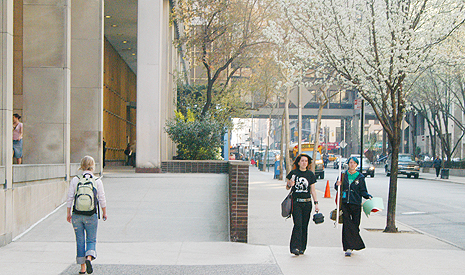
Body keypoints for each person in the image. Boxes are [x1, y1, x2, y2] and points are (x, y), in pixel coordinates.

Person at [67, 156, 107, 274]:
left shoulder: (75, 180)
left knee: (80, 240)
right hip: (91, 214)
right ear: (93, 166)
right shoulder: (97, 180)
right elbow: (102, 198)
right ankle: (89, 257)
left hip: (77, 214)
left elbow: (70, 197)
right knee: (91, 239)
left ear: (81, 165)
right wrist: (104, 212)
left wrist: (68, 213)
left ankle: (82, 268)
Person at [335, 156, 372, 257]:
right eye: (350, 163)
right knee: (347, 224)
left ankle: (355, 244)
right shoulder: (343, 175)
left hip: (356, 203)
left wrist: (367, 196)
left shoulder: (360, 177)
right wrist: (337, 184)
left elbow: (363, 190)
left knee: (355, 224)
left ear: (356, 165)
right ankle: (348, 247)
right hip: (345, 203)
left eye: (354, 163)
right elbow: (337, 186)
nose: (351, 165)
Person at [285, 154, 319, 256]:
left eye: (306, 161)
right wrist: (289, 184)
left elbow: (312, 190)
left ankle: (302, 247)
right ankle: (294, 247)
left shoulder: (310, 175)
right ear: (298, 163)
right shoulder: (293, 173)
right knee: (298, 225)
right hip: (296, 203)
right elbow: (287, 187)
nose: (304, 163)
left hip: (307, 203)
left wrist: (316, 203)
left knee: (304, 226)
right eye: (302, 161)